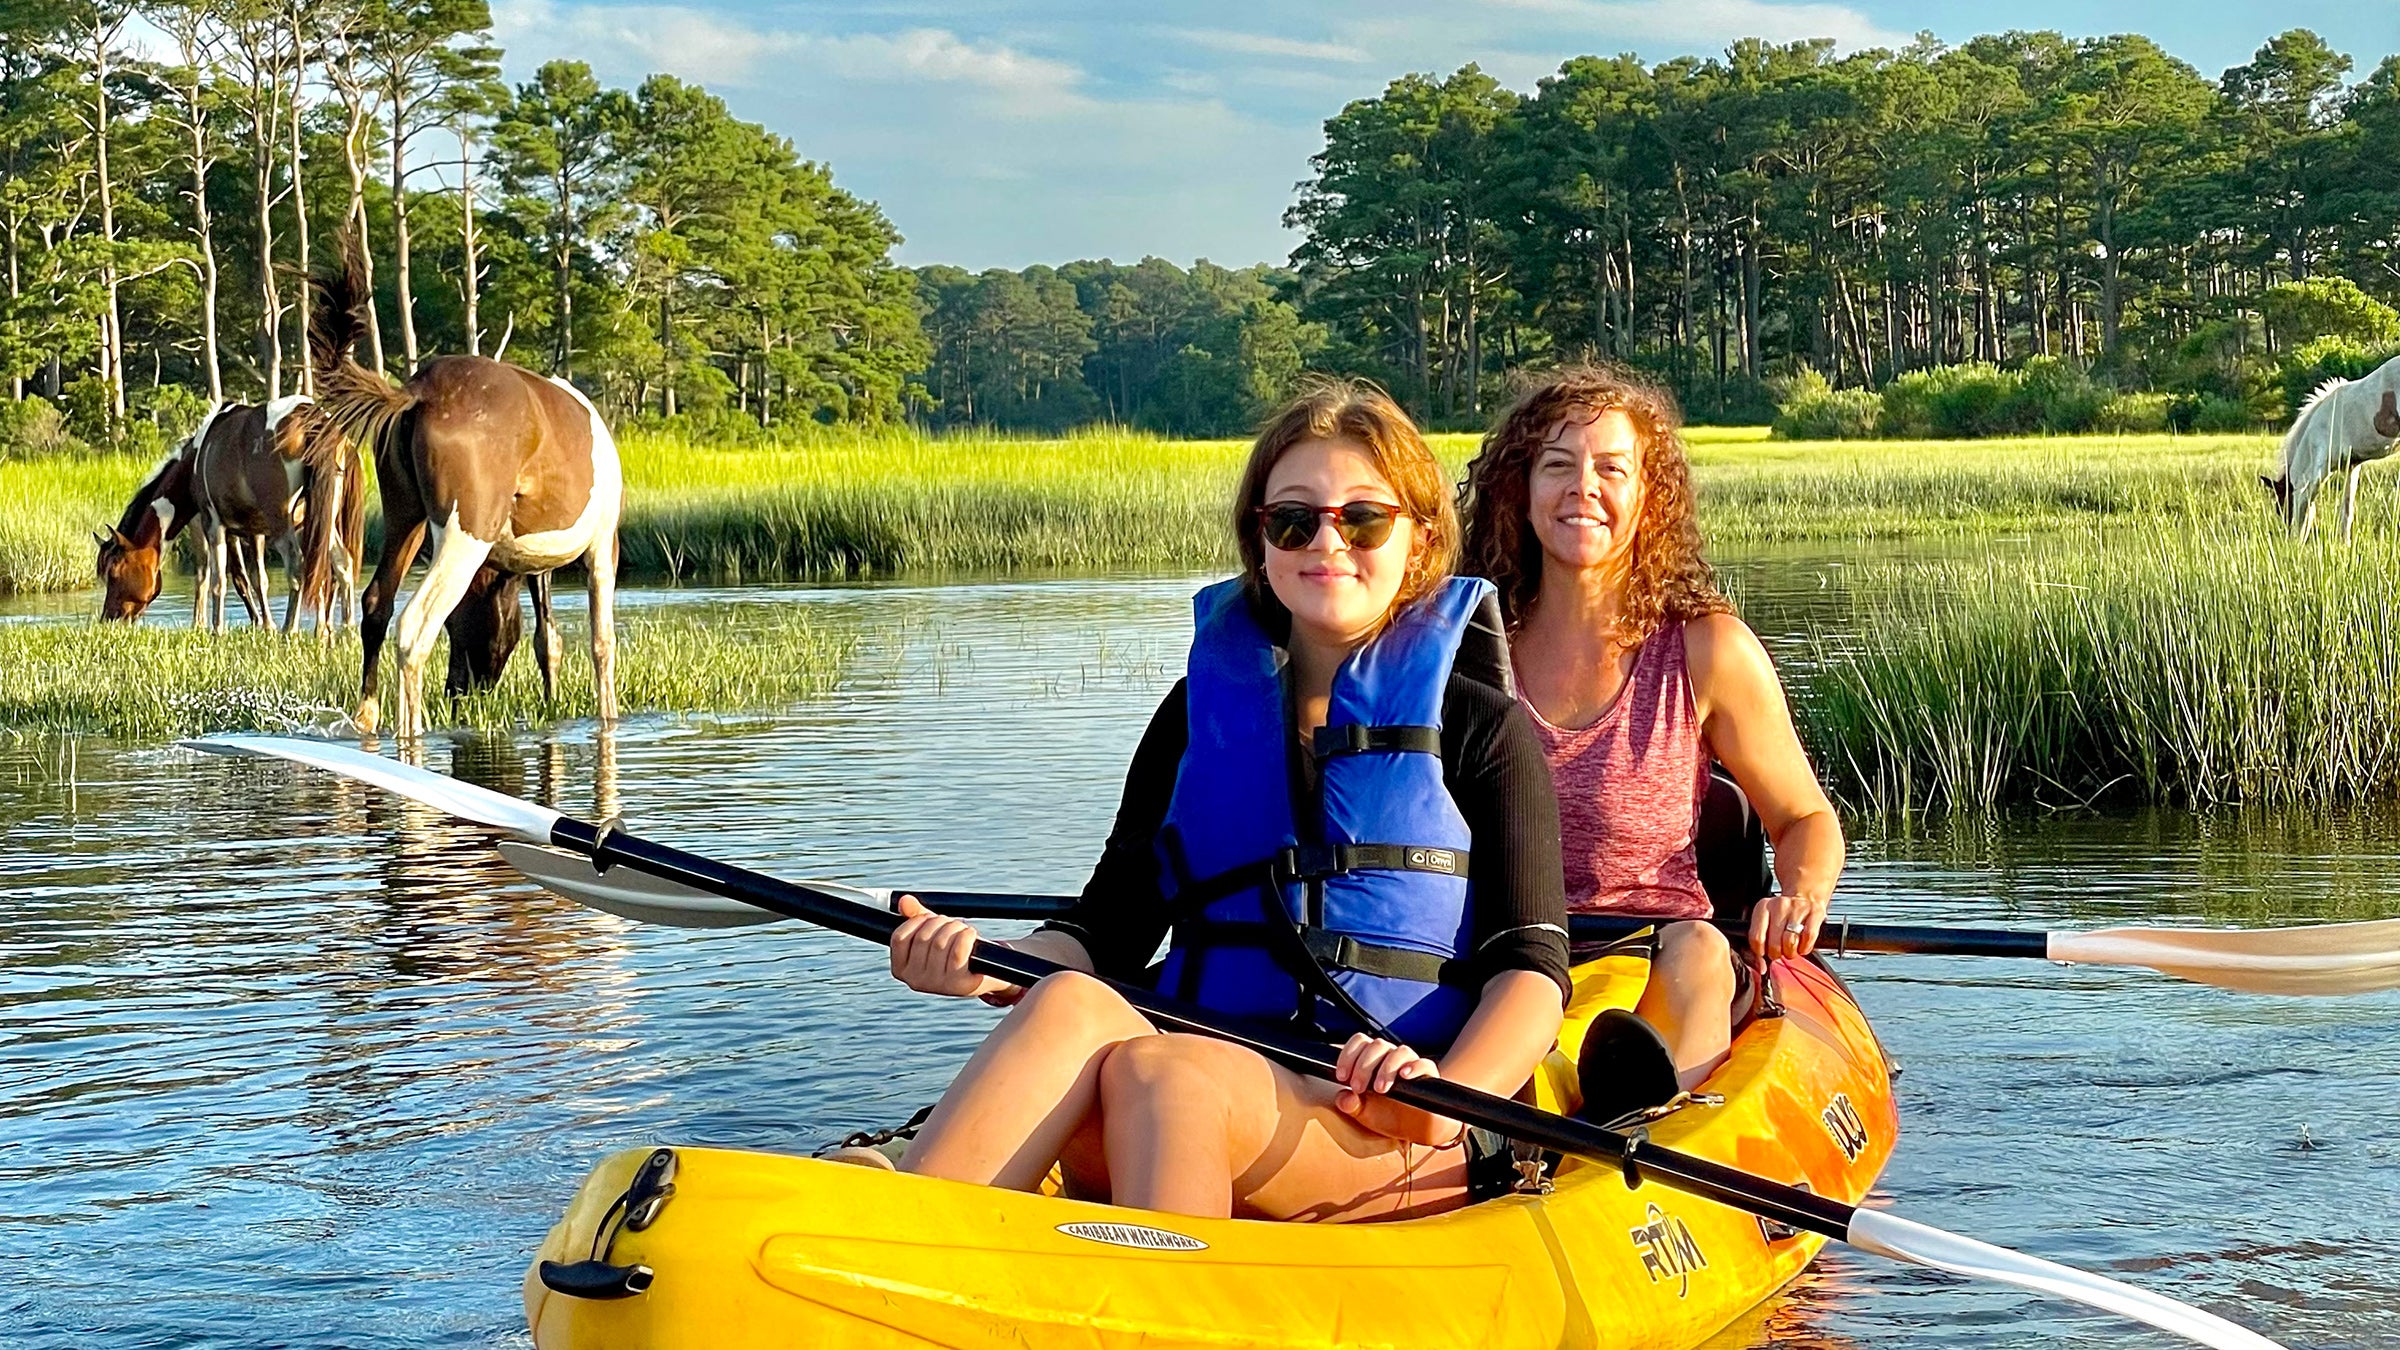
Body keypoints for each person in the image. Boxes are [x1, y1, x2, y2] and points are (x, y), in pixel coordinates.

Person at [872, 380, 1571, 1222]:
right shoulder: (1195, 716)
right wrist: (990, 964)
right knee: (1073, 1002)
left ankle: (1164, 1290)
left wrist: (1444, 1095)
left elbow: (1532, 975)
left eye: (1363, 519)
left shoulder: (1479, 725)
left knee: (1167, 1069)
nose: (1327, 542)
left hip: (1385, 1122)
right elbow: (1109, 931)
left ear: (1417, 538)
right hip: (1197, 1088)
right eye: (1293, 519)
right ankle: (901, 1246)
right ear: (1261, 542)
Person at [1459, 365, 1843, 1106]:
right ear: (1520, 487)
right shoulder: (1465, 652)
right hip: (1503, 959)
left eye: (1611, 468)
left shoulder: (1706, 650)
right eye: (1558, 466)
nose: (1583, 489)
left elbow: (1805, 819)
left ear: (1649, 497)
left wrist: (1797, 896)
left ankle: (1663, 1118)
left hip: (1657, 954)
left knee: (1699, 945)